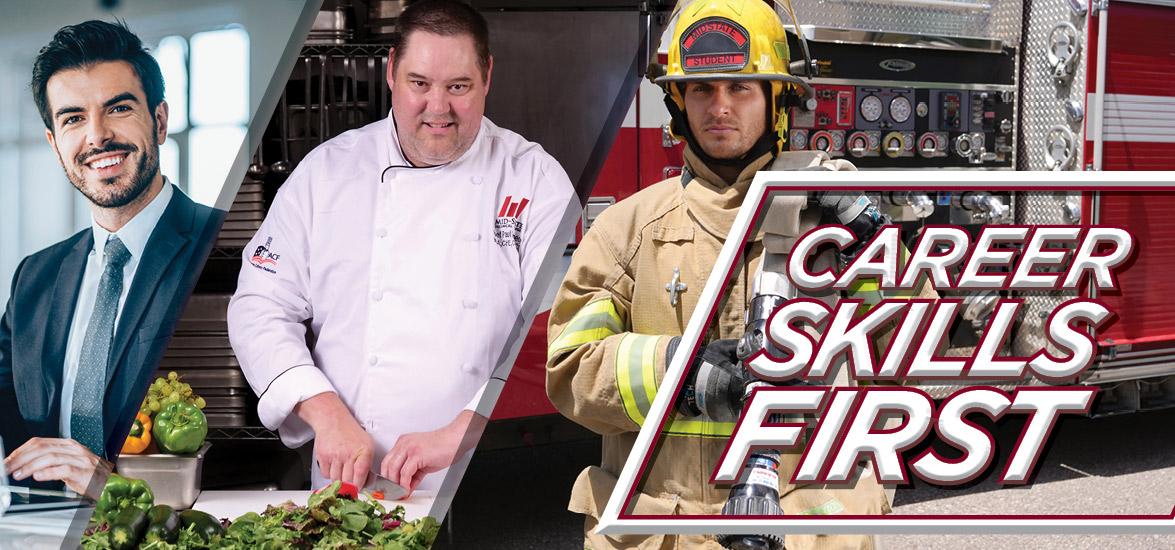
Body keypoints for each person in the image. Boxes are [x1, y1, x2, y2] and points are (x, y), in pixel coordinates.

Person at [546, 1, 932, 548]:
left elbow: (911, 349)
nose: (719, 107)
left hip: (806, 527)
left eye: (740, 87)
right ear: (677, 101)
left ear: (778, 98)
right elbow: (570, 368)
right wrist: (683, 373)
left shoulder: (836, 217)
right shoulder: (626, 230)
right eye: (702, 90)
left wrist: (874, 243)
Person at [227, 0, 576, 496]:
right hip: (350, 485)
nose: (438, 108)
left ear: (488, 76)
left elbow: (559, 329)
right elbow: (259, 307)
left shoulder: (535, 180)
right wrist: (322, 410)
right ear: (391, 72)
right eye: (420, 84)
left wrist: (467, 429)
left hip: (491, 476)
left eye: (458, 86)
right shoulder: (327, 174)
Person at [0, 20, 222, 499]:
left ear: (159, 121)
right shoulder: (34, 278)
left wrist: (116, 490)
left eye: (118, 108)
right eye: (73, 118)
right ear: (54, 143)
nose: (97, 136)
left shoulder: (227, 248)